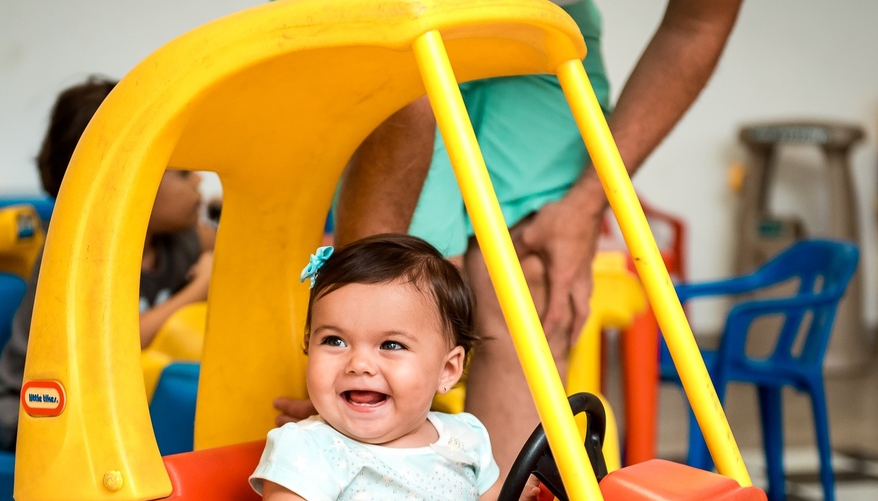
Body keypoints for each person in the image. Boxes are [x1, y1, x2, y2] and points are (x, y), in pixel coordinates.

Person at [291, 0, 743, 472]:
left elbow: (698, 23)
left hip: (538, 34)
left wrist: (585, 205)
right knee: (392, 300)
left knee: (529, 288)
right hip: (396, 15)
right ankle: (360, 499)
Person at [251, 235, 554, 501]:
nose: (359, 363)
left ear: (447, 370)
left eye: (390, 345)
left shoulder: (463, 438)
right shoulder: (311, 447)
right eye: (333, 341)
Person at [0, 76, 215, 450]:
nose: (199, 179)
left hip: (112, 405)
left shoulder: (176, 239)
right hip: (41, 413)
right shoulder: (76, 255)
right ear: (125, 180)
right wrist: (194, 292)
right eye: (183, 171)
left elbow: (226, 243)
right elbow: (112, 345)